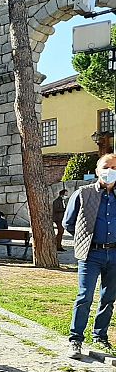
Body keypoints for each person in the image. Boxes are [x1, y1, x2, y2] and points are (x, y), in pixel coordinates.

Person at [63, 153, 116, 359]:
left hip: (114, 253)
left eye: (114, 167)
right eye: (106, 166)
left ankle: (100, 336)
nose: (110, 171)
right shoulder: (83, 193)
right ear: (97, 171)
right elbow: (69, 222)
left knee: (109, 298)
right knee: (85, 296)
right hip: (91, 253)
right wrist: (84, 239)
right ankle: (75, 339)